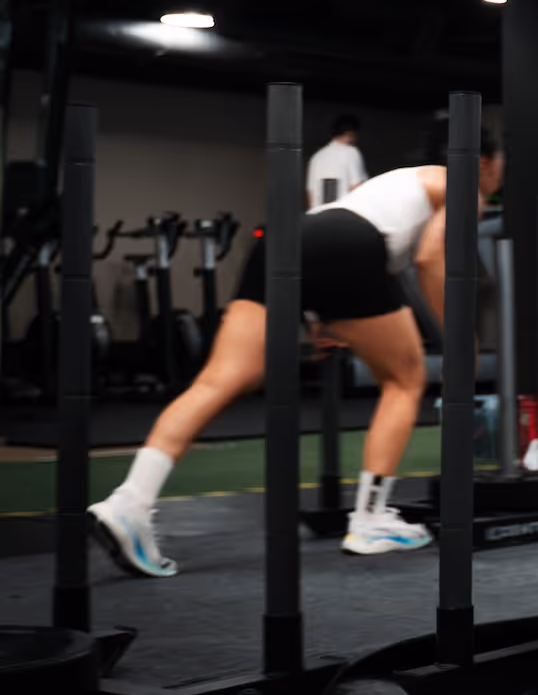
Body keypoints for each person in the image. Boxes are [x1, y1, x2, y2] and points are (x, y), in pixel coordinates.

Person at [89, 142, 505, 574]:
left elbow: (359, 245)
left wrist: (321, 321)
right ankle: (370, 520)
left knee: (220, 379)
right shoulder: (464, 188)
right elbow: (431, 259)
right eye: (503, 163)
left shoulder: (400, 180)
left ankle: (129, 503)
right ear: (485, 163)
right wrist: (458, 334)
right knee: (406, 379)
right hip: (348, 247)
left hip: (286, 238)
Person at [306, 114, 367, 209]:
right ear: (351, 133)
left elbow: (311, 193)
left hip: (318, 216)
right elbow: (357, 188)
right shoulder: (350, 152)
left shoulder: (316, 157)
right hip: (343, 216)